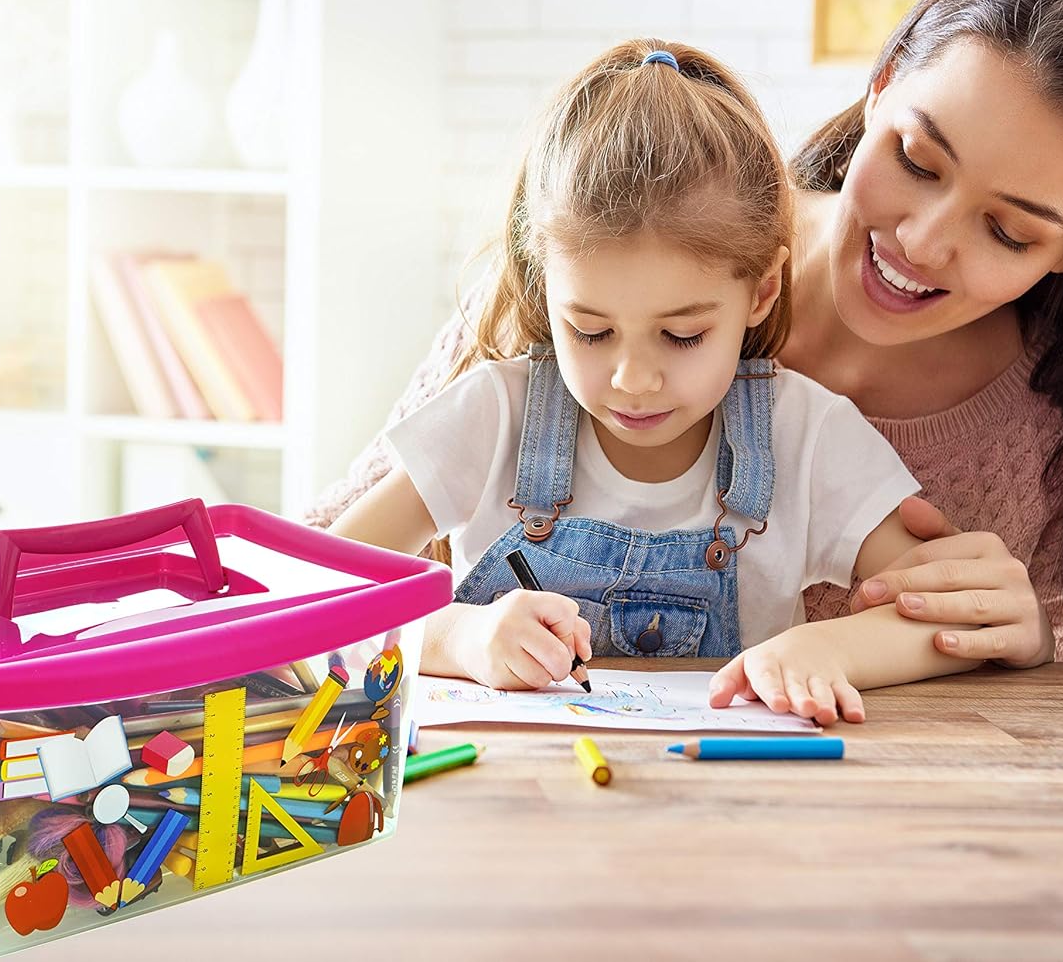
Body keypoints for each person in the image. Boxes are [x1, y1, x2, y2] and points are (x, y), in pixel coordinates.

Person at [313, 0, 1063, 688]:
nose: (924, 240)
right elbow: (310, 577)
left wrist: (1026, 635)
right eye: (917, 158)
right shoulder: (614, 245)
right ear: (880, 85)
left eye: (1010, 230)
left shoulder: (1042, 425)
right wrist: (458, 633)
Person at [331, 39, 992, 724]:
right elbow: (312, 596)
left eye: (682, 336)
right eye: (589, 330)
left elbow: (947, 622)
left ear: (762, 292)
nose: (633, 379)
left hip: (729, 802)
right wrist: (458, 636)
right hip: (514, 803)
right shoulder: (496, 415)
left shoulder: (804, 435)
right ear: (544, 285)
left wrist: (828, 649)